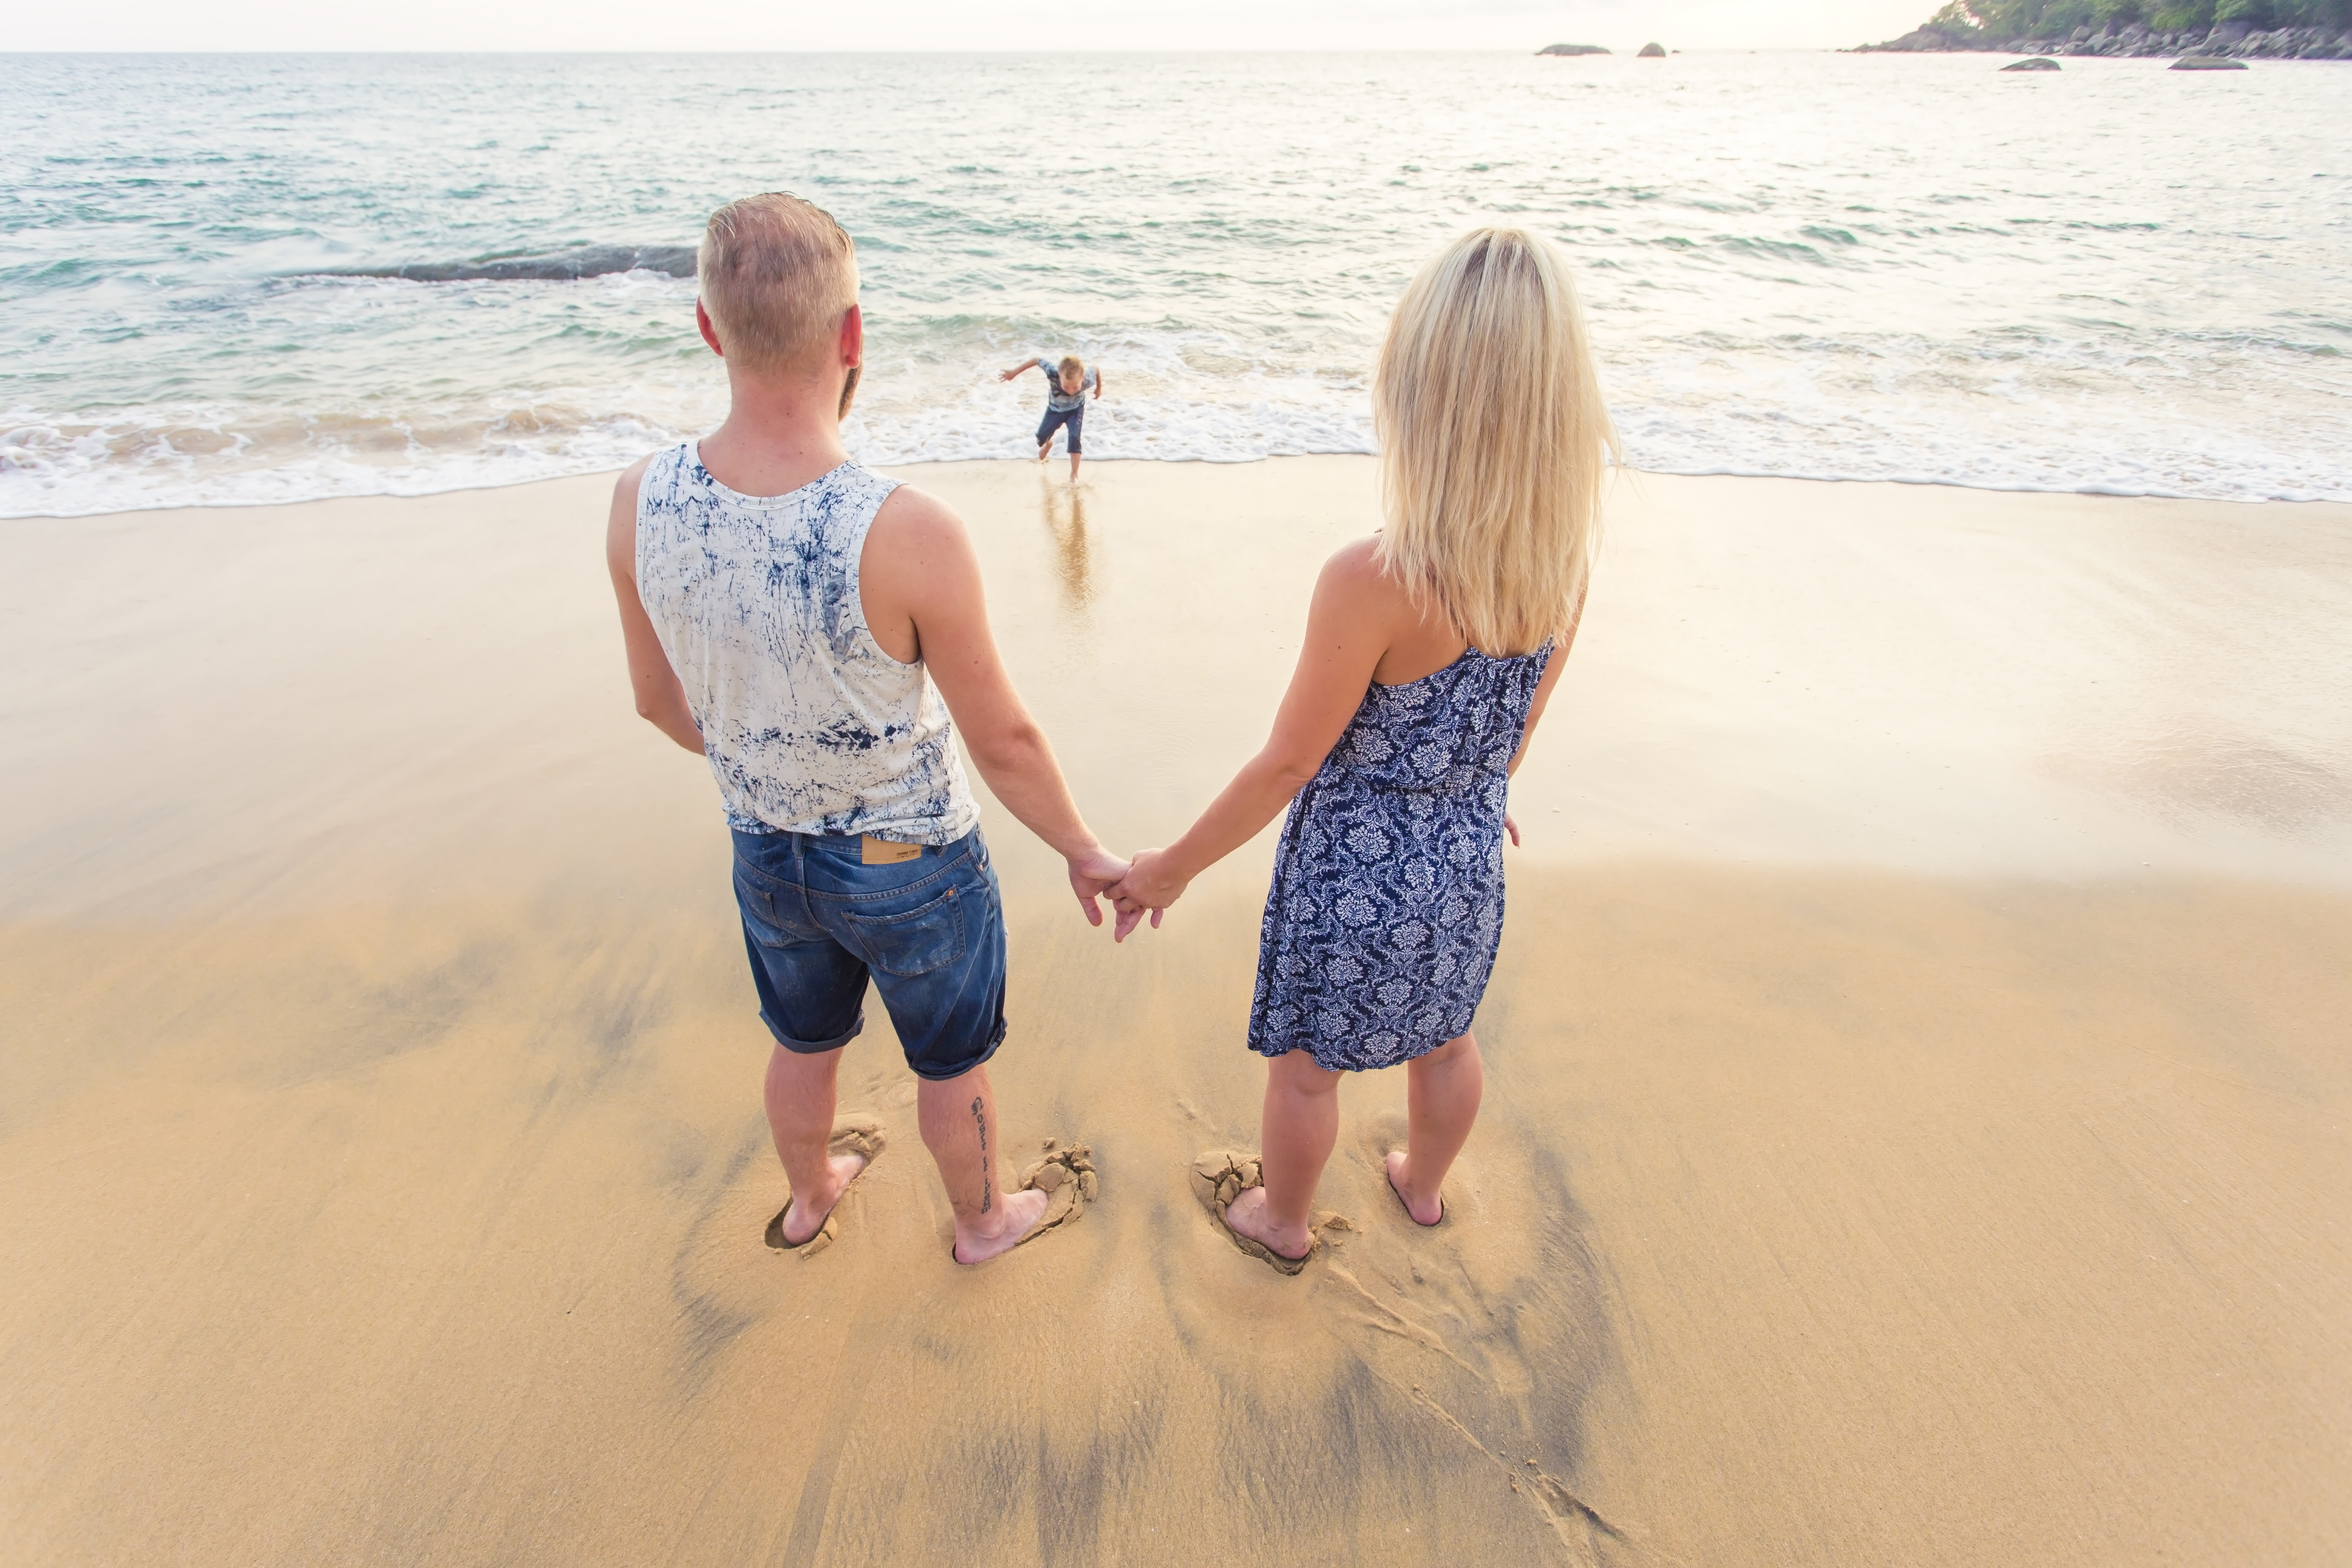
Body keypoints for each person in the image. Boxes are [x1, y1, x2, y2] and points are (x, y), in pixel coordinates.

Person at [606, 193, 1137, 1266]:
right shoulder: (908, 530)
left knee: (803, 1043)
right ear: (853, 335)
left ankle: (810, 1199)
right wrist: (1085, 850)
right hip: (912, 860)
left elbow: (661, 705)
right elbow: (1006, 744)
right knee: (950, 1064)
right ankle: (984, 1222)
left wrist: (772, 761)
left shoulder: (639, 500)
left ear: (709, 329)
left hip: (765, 853)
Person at [1108, 227, 1617, 1270]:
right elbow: (1508, 736)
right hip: (1466, 858)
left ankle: (1280, 1221)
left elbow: (1286, 764)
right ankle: (1421, 1191)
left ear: (1418, 396)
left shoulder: (1376, 579)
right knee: (1447, 1040)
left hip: (1351, 873)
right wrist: (1477, 790)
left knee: (1304, 1069)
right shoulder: (1562, 569)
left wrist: (1170, 866)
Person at [999, 352, 1102, 481]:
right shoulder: (1052, 372)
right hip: (1054, 410)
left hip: (1075, 411)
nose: (1070, 390)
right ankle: (1048, 444)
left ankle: (1074, 475)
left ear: (1083, 378)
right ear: (1059, 375)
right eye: (1066, 386)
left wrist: (1099, 388)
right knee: (1041, 437)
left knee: (1075, 438)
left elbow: (1096, 369)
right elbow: (1037, 360)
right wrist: (1014, 373)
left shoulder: (1087, 380)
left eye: (1075, 387)